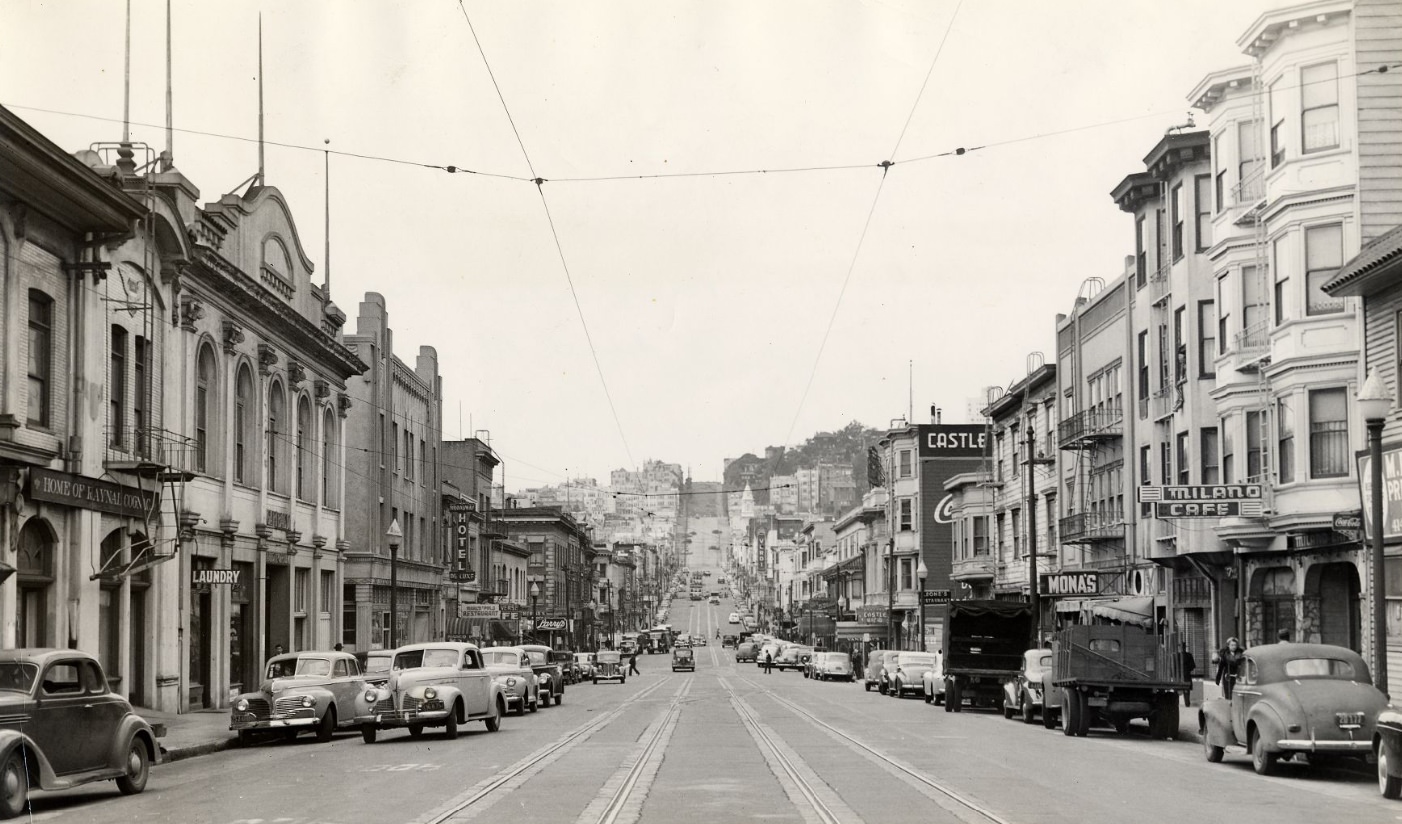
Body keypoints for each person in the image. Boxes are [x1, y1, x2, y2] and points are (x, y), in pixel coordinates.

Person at [1178, 642, 1197, 707]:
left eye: (1183, 647)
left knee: (1185, 689)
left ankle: (1187, 703)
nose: (1182, 648)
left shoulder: (1188, 655)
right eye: (1181, 647)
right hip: (1182, 675)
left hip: (1183, 675)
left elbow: (1193, 665)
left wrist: (1187, 669)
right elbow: (1193, 666)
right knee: (1183, 689)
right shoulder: (1178, 655)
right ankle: (1186, 703)